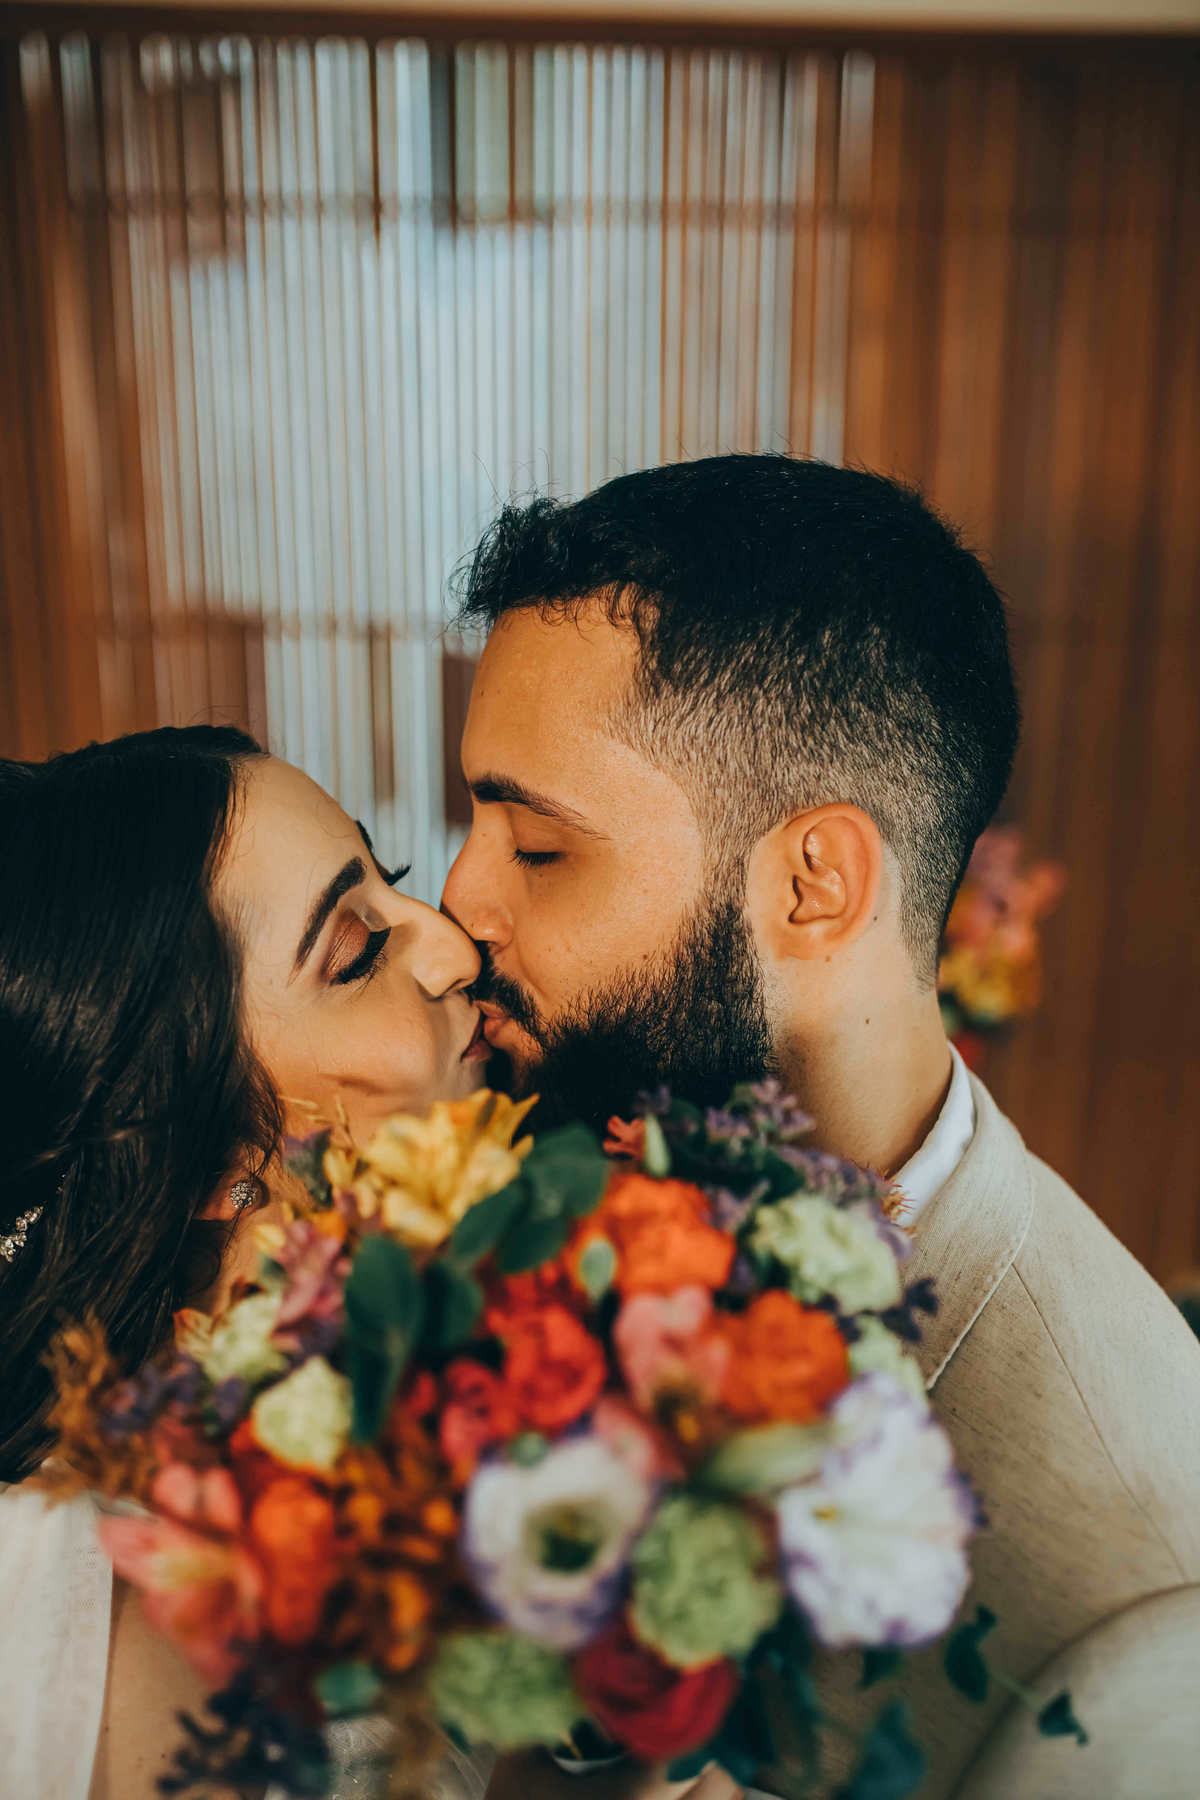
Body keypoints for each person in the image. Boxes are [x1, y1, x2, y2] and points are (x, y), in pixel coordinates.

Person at [443, 454, 1200, 1798]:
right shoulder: (545, 1198)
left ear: (814, 885)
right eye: (473, 825)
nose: (459, 909)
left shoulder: (1121, 1635)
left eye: (540, 848)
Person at [0, 725, 490, 1800]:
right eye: (358, 953)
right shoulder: (131, 1624)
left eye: (393, 881)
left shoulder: (408, 1422)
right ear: (212, 1164)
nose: (453, 945)